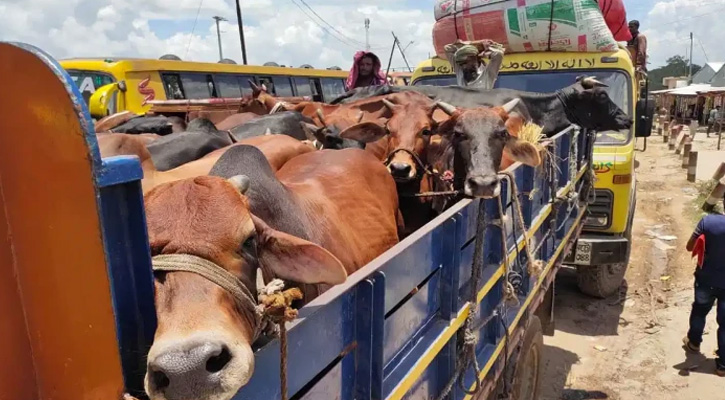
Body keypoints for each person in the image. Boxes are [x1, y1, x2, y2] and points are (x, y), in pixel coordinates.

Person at [684, 200, 725, 377]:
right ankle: (722, 366)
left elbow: (689, 247)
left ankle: (694, 343)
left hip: (706, 279)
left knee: (699, 311)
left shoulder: (708, 222)